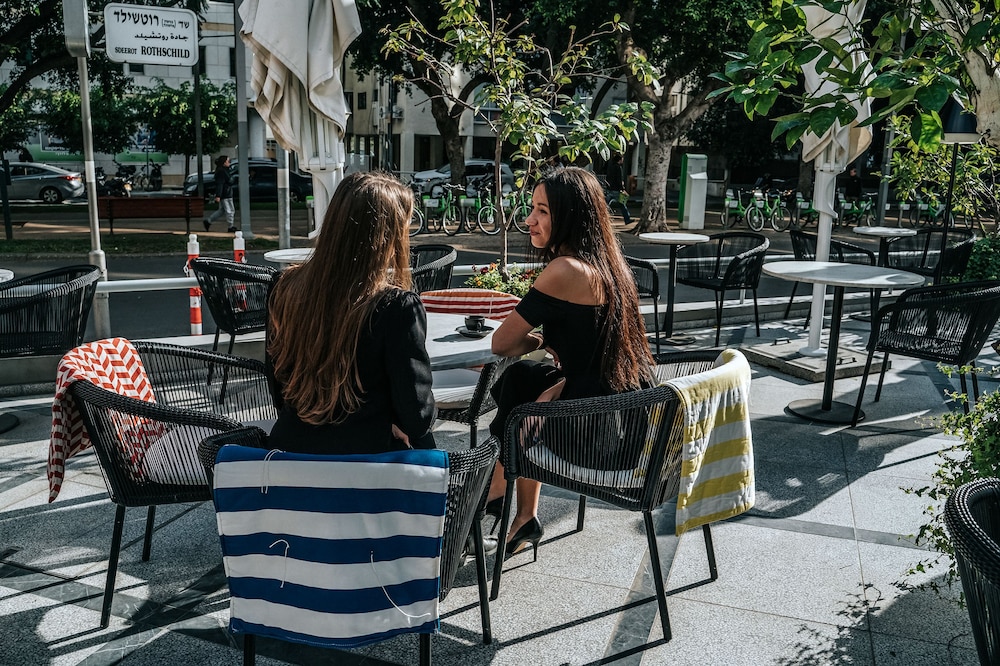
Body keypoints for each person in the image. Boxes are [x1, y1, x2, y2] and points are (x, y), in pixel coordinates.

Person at [485, 166, 654, 557]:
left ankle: (495, 490)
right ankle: (522, 514)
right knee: (526, 378)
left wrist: (537, 343)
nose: (529, 220)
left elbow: (502, 342)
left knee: (520, 384)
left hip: (595, 437)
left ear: (571, 216)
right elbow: (598, 357)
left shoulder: (565, 270)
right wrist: (553, 364)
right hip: (624, 421)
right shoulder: (609, 266)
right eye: (532, 208)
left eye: (542, 211)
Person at [265, 171, 436, 455]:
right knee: (428, 450)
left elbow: (279, 387)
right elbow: (417, 417)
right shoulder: (396, 307)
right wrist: (390, 422)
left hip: (290, 456)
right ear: (388, 237)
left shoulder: (283, 288)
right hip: (367, 466)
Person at [204, 155, 235, 233]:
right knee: (230, 210)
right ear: (224, 162)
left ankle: (208, 221)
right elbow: (220, 184)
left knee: (222, 210)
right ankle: (230, 226)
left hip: (225, 193)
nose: (229, 162)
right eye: (228, 161)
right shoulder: (222, 171)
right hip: (226, 193)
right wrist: (218, 195)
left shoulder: (223, 170)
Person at [604, 153, 632, 225]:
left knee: (605, 205)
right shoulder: (618, 168)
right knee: (622, 205)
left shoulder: (610, 167)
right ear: (619, 160)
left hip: (609, 188)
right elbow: (619, 179)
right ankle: (627, 219)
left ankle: (602, 218)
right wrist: (622, 189)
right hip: (616, 189)